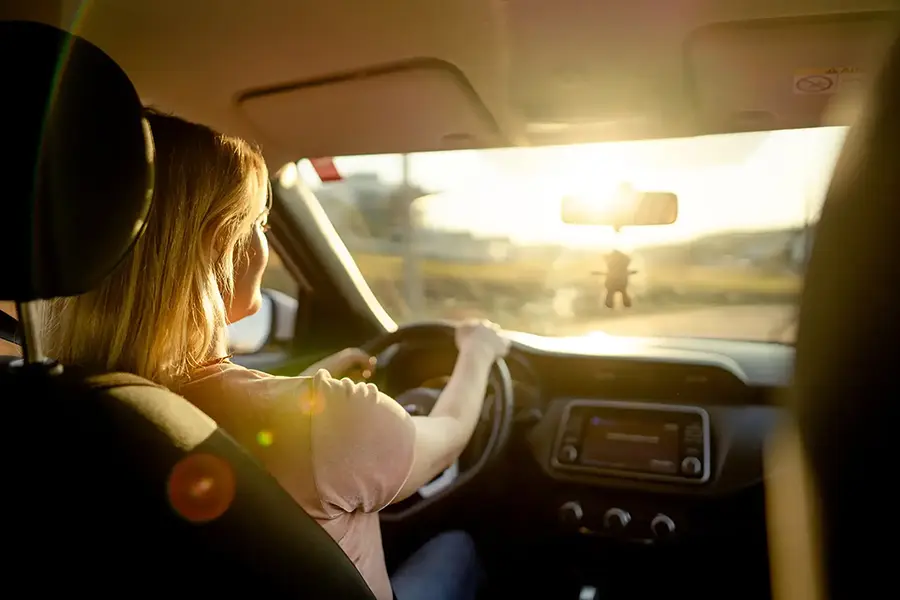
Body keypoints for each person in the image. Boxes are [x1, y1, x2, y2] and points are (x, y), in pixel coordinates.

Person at [39, 110, 509, 600]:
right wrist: (477, 352)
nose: (266, 242)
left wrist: (309, 387)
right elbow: (449, 437)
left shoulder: (74, 408)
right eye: (260, 223)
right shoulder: (333, 424)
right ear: (223, 246)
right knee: (458, 547)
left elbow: (231, 437)